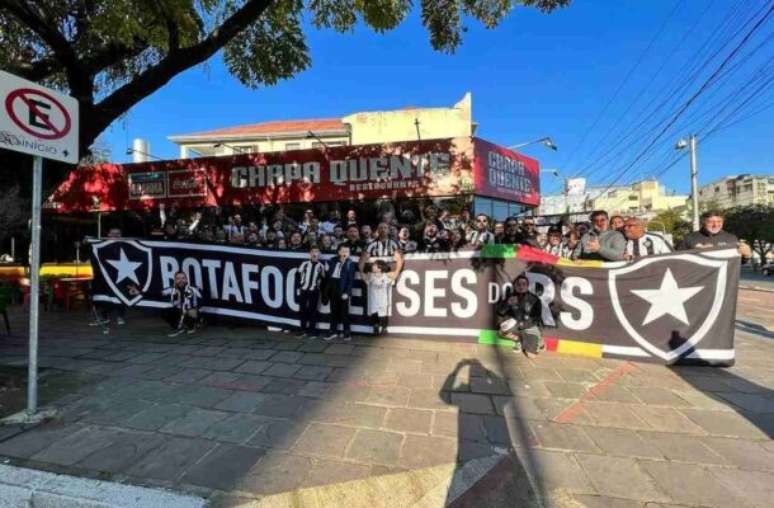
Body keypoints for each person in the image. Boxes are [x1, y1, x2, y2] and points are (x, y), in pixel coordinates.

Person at [496, 274, 543, 358]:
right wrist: (507, 303)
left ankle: (538, 340)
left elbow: (537, 318)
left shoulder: (535, 299)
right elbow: (500, 312)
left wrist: (523, 324)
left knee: (531, 356)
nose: (521, 286)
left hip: (529, 327)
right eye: (518, 284)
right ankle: (518, 341)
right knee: (501, 331)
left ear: (527, 286)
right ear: (515, 286)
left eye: (524, 284)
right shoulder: (510, 296)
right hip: (516, 327)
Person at [144, 271, 203, 337]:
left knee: (191, 312)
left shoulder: (193, 288)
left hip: (191, 311)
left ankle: (194, 324)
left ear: (186, 279)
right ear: (175, 280)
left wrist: (196, 309)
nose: (181, 280)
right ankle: (178, 326)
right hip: (180, 311)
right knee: (165, 312)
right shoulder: (172, 289)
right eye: (178, 278)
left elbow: (203, 299)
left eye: (183, 278)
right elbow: (156, 294)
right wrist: (139, 292)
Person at [359, 251, 404, 336]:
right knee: (374, 315)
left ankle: (384, 328)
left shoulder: (386, 275)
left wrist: (399, 260)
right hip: (373, 301)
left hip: (383, 301)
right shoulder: (370, 275)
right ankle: (375, 328)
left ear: (380, 268)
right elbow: (361, 272)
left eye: (375, 265)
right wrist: (363, 260)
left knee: (383, 316)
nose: (372, 266)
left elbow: (397, 272)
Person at [678, 210, 751, 257]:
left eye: (719, 222)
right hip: (699, 279)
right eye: (710, 222)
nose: (715, 225)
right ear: (703, 223)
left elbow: (737, 262)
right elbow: (677, 260)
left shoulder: (731, 238)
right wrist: (696, 252)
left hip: (724, 280)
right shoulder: (690, 238)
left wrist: (747, 255)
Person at [325, 244, 357, 341]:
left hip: (343, 289)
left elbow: (351, 280)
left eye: (347, 252)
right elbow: (328, 275)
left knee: (344, 312)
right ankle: (332, 331)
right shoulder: (332, 260)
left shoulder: (350, 263)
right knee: (333, 311)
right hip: (333, 288)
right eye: (343, 251)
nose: (345, 254)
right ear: (339, 252)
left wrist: (347, 293)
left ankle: (346, 332)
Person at [296, 246, 326, 338]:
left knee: (313, 310)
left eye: (317, 251)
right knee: (302, 310)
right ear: (310, 253)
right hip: (304, 290)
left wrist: (319, 286)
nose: (315, 253)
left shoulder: (321, 266)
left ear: (319, 254)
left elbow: (324, 279)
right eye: (313, 251)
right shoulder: (304, 264)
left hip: (314, 291)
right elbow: (297, 275)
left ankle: (312, 331)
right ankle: (303, 330)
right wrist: (299, 286)